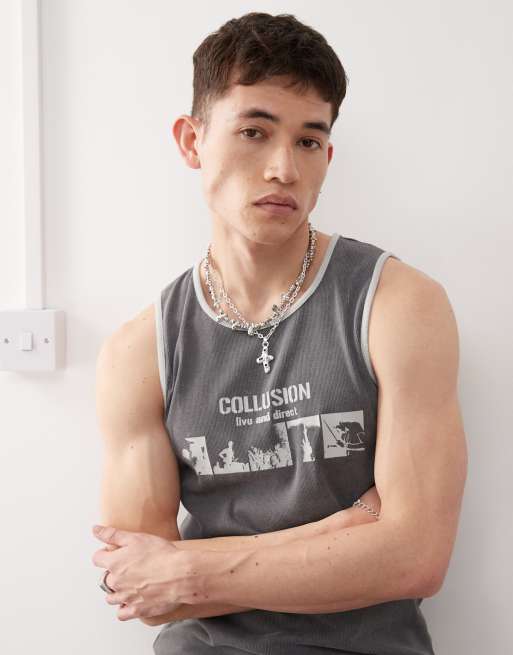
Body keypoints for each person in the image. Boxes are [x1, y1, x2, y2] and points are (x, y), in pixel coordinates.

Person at [94, 11, 467, 654]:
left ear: (327, 155)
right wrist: (350, 528)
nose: (283, 169)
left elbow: (416, 559)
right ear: (191, 141)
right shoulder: (138, 351)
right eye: (254, 131)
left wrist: (190, 568)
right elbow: (144, 590)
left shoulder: (399, 304)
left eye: (308, 141)